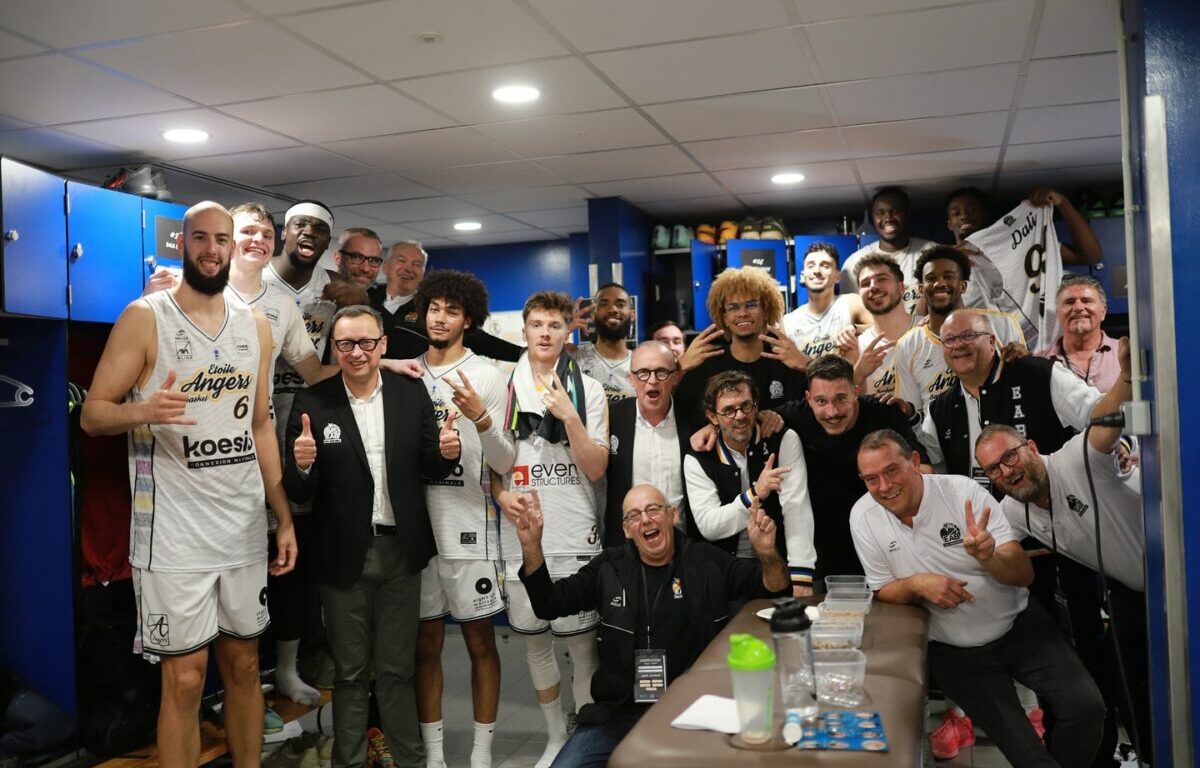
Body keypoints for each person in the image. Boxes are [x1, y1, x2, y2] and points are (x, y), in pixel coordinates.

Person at [80, 201, 297, 768]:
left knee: (246, 665)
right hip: (172, 535)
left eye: (220, 239)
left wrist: (283, 514)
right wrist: (143, 410)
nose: (210, 249)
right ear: (183, 243)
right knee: (184, 679)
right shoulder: (145, 316)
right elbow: (93, 414)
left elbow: (259, 424)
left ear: (233, 246)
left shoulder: (256, 325)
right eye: (199, 238)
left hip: (243, 525)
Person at [851, 430, 1104, 768]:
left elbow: (1023, 574)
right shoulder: (863, 517)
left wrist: (989, 557)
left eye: (892, 471)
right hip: (955, 651)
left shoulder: (963, 492)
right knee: (1029, 757)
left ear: (914, 462)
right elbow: (883, 589)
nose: (884, 486)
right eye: (871, 479)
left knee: (1088, 708)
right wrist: (916, 584)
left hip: (1020, 626)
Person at [282, 305, 459, 768]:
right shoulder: (313, 402)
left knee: (399, 670)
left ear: (383, 345)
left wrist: (447, 453)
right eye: (345, 344)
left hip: (401, 553)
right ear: (334, 348)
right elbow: (300, 489)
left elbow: (430, 464)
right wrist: (301, 464)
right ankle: (350, 761)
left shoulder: (409, 394)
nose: (356, 352)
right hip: (343, 559)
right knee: (350, 674)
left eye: (366, 343)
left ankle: (410, 760)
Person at [514, 483, 790, 767]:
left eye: (654, 510)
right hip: (619, 713)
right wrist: (531, 546)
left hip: (694, 709)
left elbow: (773, 588)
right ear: (626, 530)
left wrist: (767, 552)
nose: (645, 519)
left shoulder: (706, 560)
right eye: (634, 515)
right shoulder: (608, 567)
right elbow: (549, 604)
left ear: (673, 516)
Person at [975, 343, 1151, 764]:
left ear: (1032, 448)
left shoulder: (1076, 459)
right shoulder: (1012, 508)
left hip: (1175, 574)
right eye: (994, 469)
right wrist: (985, 555)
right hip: (1130, 591)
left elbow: (1102, 423)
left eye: (1010, 456)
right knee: (1127, 687)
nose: (1007, 471)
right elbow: (1007, 559)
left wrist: (1126, 379)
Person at [489, 291, 608, 768]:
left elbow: (597, 467)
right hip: (521, 534)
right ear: (524, 330)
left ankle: (584, 738)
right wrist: (501, 496)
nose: (544, 333)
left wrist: (571, 417)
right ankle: (555, 736)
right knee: (535, 643)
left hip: (574, 532)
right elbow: (491, 468)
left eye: (554, 326)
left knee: (581, 647)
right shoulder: (502, 388)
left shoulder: (590, 390)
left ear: (566, 333)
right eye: (536, 324)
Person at [411, 271, 515, 768]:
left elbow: (504, 460)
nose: (441, 317)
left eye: (452, 310)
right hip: (417, 530)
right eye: (434, 307)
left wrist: (482, 418)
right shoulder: (406, 373)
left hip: (470, 529)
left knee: (479, 642)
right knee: (425, 643)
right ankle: (433, 755)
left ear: (468, 319)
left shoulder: (488, 376)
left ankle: (481, 753)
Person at [775, 355, 931, 579]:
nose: (832, 412)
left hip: (886, 533)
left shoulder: (885, 414)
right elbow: (744, 423)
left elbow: (924, 471)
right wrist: (710, 430)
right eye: (821, 401)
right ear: (808, 398)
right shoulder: (792, 416)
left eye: (841, 399)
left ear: (856, 392)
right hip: (825, 540)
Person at [921, 309, 1104, 478]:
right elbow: (936, 471)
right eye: (949, 340)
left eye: (969, 335)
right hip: (978, 512)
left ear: (992, 341)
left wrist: (1123, 446)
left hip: (1051, 505)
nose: (958, 345)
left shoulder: (1037, 374)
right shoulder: (939, 410)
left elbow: (1100, 412)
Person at [683, 371, 815, 595]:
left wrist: (802, 575)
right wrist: (755, 493)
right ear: (712, 417)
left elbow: (796, 507)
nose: (739, 416)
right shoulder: (698, 457)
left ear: (756, 405)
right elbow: (709, 525)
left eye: (746, 406)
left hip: (777, 560)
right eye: (728, 410)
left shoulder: (782, 439)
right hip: (724, 568)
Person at [893, 246, 1025, 416]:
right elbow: (914, 415)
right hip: (938, 441)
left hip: (1001, 435)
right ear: (920, 289)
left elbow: (1022, 385)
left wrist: (1023, 361)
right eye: (931, 278)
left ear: (963, 286)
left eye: (948, 276)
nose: (939, 283)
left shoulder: (1002, 324)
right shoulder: (907, 345)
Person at [674, 266, 807, 435]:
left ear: (766, 310)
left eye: (751, 305)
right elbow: (676, 414)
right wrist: (679, 368)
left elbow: (818, 407)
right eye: (733, 307)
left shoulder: (787, 361)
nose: (742, 313)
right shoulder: (706, 365)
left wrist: (807, 365)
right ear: (724, 317)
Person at [368, 240, 523, 362]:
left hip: (418, 390)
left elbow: (481, 340)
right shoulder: (364, 301)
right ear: (386, 267)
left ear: (423, 273)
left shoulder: (432, 307)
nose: (409, 268)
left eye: (417, 264)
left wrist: (524, 355)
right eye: (401, 261)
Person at [602, 341, 690, 548]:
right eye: (643, 372)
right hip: (627, 548)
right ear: (630, 378)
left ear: (675, 377)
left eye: (661, 372)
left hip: (684, 545)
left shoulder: (694, 420)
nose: (652, 381)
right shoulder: (611, 418)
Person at [946, 186, 1103, 266]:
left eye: (972, 210)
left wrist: (1063, 203)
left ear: (985, 215)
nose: (964, 216)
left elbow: (1089, 257)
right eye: (955, 213)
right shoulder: (944, 261)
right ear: (949, 224)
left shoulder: (1019, 246)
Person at [840, 187, 936, 312]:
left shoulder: (933, 253)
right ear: (873, 217)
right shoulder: (855, 263)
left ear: (907, 213)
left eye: (895, 211)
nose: (888, 217)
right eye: (880, 213)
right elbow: (852, 313)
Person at [781, 241, 869, 359]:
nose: (817, 271)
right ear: (802, 276)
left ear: (838, 276)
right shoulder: (788, 322)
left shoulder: (851, 303)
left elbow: (886, 329)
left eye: (825, 266)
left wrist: (856, 329)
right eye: (811, 266)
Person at [847, 254, 917, 401]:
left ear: (901, 287)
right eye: (865, 283)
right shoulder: (854, 347)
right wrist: (858, 374)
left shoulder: (928, 329)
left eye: (882, 279)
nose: (873, 287)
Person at [1040, 275, 1124, 392]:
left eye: (1087, 301)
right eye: (1069, 302)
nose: (1078, 307)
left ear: (1103, 311)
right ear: (1058, 313)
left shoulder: (1126, 354)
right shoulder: (1039, 363)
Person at [571, 283, 635, 401]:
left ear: (632, 315)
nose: (613, 309)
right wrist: (564, 328)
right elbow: (533, 358)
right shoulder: (574, 356)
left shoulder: (641, 364)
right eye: (604, 304)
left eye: (620, 304)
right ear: (592, 315)